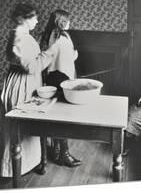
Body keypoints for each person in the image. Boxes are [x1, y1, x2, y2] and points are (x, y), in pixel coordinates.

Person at [0, 3, 57, 177]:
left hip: (25, 82)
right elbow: (31, 67)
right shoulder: (20, 37)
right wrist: (51, 51)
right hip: (22, 84)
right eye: (34, 17)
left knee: (25, 128)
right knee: (19, 127)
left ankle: (26, 164)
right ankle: (13, 168)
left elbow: (31, 60)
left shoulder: (23, 35)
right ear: (24, 19)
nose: (37, 21)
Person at [40, 9, 81, 167]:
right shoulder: (63, 37)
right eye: (68, 20)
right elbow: (66, 59)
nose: (70, 22)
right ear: (62, 21)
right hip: (62, 77)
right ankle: (64, 153)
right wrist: (75, 55)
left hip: (52, 77)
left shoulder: (50, 34)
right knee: (64, 116)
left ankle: (57, 151)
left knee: (56, 115)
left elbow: (52, 57)